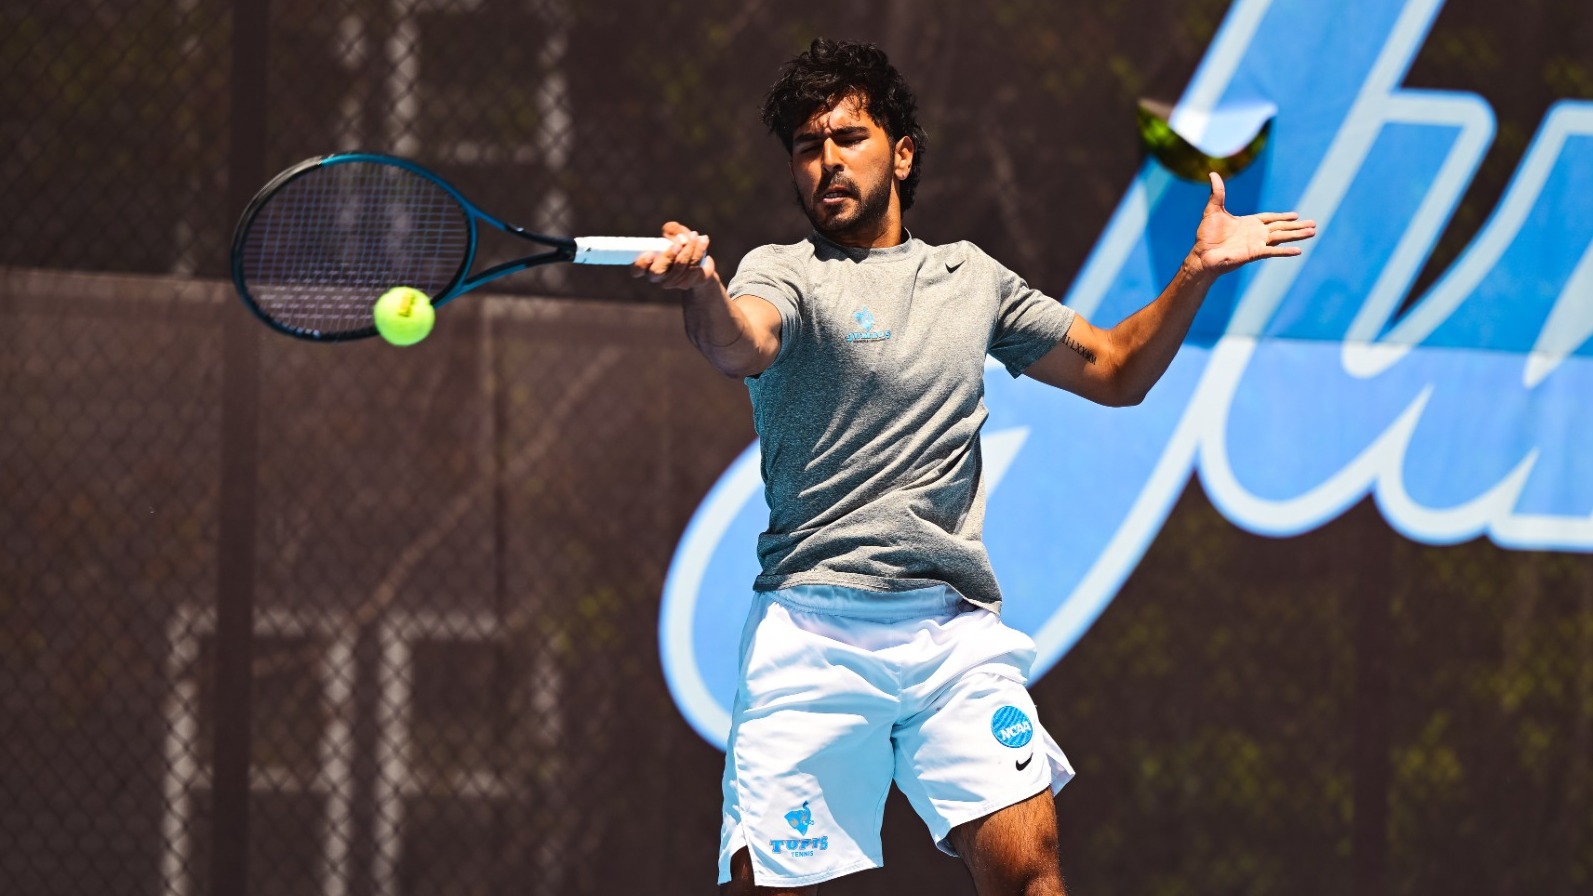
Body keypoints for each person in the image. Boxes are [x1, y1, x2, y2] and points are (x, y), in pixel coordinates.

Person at [633, 38, 1315, 896]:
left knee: (1031, 875)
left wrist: (1196, 272)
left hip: (951, 635)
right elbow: (740, 341)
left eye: (848, 138)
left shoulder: (970, 279)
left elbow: (1114, 370)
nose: (826, 163)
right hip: (810, 632)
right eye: (807, 149)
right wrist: (700, 287)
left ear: (902, 151)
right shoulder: (783, 273)